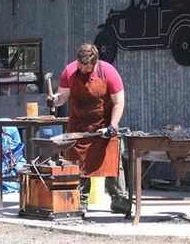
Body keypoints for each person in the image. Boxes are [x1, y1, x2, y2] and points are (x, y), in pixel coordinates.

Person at [47, 43, 129, 215]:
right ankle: (80, 201)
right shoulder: (70, 71)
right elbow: (63, 97)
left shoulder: (108, 72)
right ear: (77, 61)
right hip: (79, 125)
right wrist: (54, 100)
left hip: (104, 125)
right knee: (78, 164)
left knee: (113, 161)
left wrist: (112, 126)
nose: (84, 71)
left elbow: (119, 102)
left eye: (87, 69)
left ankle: (119, 199)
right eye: (81, 67)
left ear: (96, 63)